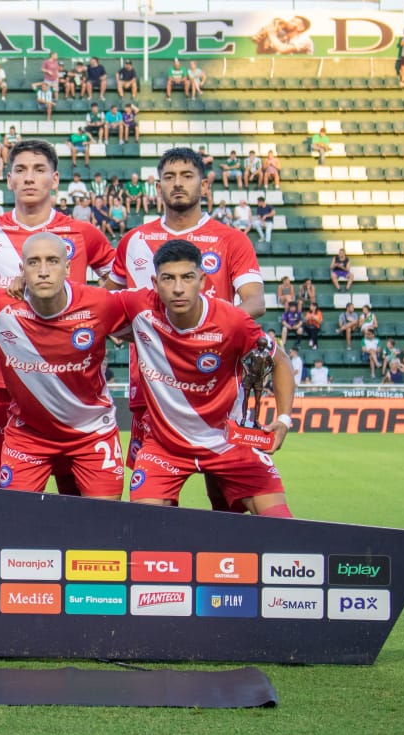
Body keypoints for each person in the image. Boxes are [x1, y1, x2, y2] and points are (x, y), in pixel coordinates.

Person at [0, 139, 115, 484]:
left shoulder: (82, 233)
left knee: (76, 490)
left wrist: (91, 311)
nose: (29, 178)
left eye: (39, 170)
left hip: (70, 382)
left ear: (54, 179)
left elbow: (120, 279)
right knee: (4, 490)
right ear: (8, 179)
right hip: (3, 378)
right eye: (20, 170)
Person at [106, 147, 265, 511]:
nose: (178, 184)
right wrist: (138, 334)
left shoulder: (231, 240)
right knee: (156, 503)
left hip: (218, 388)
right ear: (158, 186)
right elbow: (108, 307)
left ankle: (227, 566)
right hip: (152, 391)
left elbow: (255, 302)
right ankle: (166, 566)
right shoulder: (134, 241)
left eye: (187, 176)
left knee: (228, 502)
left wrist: (207, 333)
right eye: (169, 177)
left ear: (204, 184)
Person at [114, 240, 294, 517]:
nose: (177, 288)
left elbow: (280, 361)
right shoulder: (139, 306)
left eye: (187, 277)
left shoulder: (232, 321)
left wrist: (283, 420)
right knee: (143, 529)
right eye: (168, 279)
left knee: (281, 526)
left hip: (230, 442)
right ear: (154, 282)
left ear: (202, 280)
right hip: (165, 445)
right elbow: (85, 305)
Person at [0, 233, 125, 497]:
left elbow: (156, 318)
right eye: (34, 262)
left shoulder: (101, 303)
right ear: (21, 270)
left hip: (92, 434)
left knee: (104, 532)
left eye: (52, 261)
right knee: (19, 532)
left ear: (68, 267)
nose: (43, 271)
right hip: (28, 436)